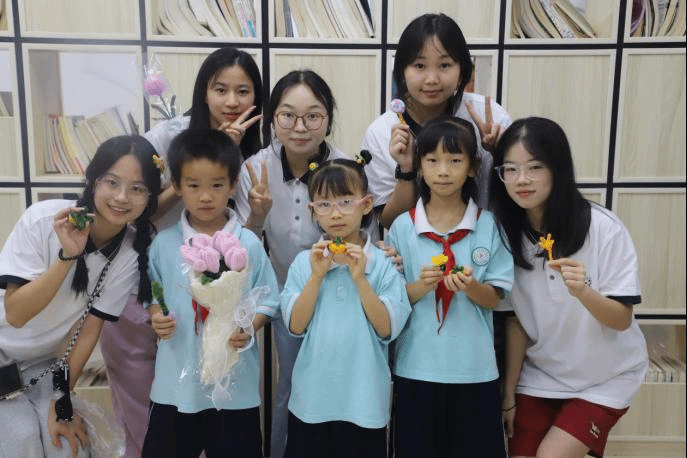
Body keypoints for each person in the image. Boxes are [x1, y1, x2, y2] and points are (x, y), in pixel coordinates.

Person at [101, 46, 263, 457]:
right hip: (149, 285)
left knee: (215, 412)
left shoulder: (256, 151)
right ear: (203, 91)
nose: (231, 101)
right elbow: (131, 210)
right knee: (150, 408)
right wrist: (191, 172)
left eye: (243, 91)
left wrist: (232, 164)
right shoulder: (167, 137)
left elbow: (246, 244)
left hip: (215, 313)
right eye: (220, 89)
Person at [490, 117, 648, 458]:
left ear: (557, 169)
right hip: (541, 376)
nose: (521, 180)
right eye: (510, 169)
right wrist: (509, 394)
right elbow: (516, 322)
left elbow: (622, 319)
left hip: (606, 378)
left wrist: (584, 292)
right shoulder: (503, 233)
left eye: (535, 167)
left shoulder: (603, 228)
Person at [0, 135, 161, 458]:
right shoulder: (43, 219)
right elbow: (16, 314)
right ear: (93, 180)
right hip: (3, 353)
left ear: (150, 197)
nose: (121, 197)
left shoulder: (130, 253)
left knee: (65, 446)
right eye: (111, 182)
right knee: (22, 440)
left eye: (137, 188)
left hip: (42, 365)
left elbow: (89, 330)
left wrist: (62, 400)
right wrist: (67, 257)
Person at [233, 69, 350, 458]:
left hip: (339, 298)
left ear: (328, 119)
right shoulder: (255, 169)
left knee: (338, 385)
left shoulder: (346, 169)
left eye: (313, 116)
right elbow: (243, 250)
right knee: (292, 385)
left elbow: (360, 237)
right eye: (288, 115)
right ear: (272, 119)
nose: (300, 128)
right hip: (287, 299)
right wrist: (257, 216)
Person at [141, 128, 279, 457]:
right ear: (177, 186)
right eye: (193, 186)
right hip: (175, 385)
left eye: (216, 185)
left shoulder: (247, 243)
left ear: (232, 185)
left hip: (234, 387)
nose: (205, 197)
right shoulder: (164, 244)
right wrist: (156, 315)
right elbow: (153, 290)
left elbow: (269, 297)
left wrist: (250, 327)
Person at [386, 117, 514, 458]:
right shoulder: (402, 228)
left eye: (455, 161)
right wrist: (422, 286)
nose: (443, 171)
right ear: (419, 166)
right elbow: (393, 301)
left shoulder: (489, 226)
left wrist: (471, 287)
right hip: (416, 368)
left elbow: (495, 299)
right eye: (432, 160)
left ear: (472, 168)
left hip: (475, 371)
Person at [280, 154, 411, 458]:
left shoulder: (383, 263)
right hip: (311, 401)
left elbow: (386, 329)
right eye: (325, 204)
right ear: (312, 210)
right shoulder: (304, 263)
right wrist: (316, 276)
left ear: (366, 204)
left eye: (346, 202)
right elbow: (296, 326)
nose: (336, 213)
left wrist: (360, 279)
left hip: (364, 403)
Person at [361, 13, 512, 229]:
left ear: (462, 70)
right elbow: (388, 222)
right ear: (402, 71)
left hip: (484, 241)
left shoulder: (490, 117)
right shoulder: (382, 132)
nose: (432, 79)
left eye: (444, 65)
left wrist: (499, 152)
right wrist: (406, 170)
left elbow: (519, 196)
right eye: (419, 66)